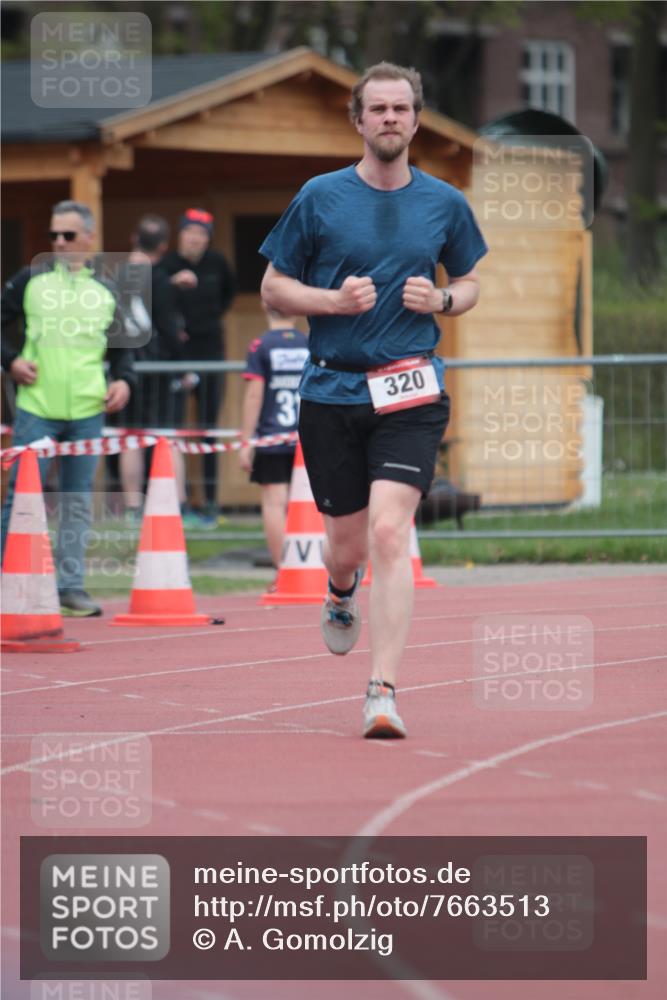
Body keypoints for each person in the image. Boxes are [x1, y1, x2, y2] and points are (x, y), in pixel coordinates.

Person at [260, 62, 487, 739]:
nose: (389, 119)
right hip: (332, 387)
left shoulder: (444, 202)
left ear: (415, 120)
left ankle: (381, 691)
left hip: (410, 386)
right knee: (347, 545)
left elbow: (470, 281)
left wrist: (443, 299)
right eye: (377, 109)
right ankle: (337, 591)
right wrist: (330, 300)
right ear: (358, 121)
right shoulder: (319, 197)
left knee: (392, 532)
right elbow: (273, 286)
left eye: (401, 109)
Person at [1, 200, 135, 617]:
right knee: (22, 499)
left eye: (68, 235)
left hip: (87, 411)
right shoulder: (30, 279)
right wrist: (10, 361)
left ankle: (69, 587)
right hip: (36, 408)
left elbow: (123, 352)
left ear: (89, 239)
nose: (59, 242)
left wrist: (123, 381)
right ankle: (9, 581)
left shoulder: (108, 290)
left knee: (77, 502)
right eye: (53, 235)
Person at [159, 208, 236, 527]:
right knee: (174, 430)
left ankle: (210, 503)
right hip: (177, 357)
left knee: (208, 430)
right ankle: (179, 502)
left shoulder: (218, 263)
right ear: (181, 236)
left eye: (202, 234)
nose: (196, 239)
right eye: (190, 233)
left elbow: (229, 295)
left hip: (211, 354)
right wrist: (171, 284)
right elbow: (152, 298)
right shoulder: (166, 266)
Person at [115, 214, 189, 521]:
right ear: (163, 245)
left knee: (130, 438)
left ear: (134, 238)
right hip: (158, 369)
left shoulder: (115, 276)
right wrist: (183, 367)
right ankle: (178, 505)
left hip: (126, 368)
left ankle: (133, 507)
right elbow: (169, 327)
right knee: (168, 436)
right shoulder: (159, 279)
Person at [238, 304, 308, 582]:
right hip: (305, 437)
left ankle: (284, 570)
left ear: (265, 306)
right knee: (308, 502)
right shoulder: (308, 344)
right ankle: (313, 564)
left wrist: (247, 440)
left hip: (272, 436)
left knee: (274, 503)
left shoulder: (261, 346)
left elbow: (255, 395)